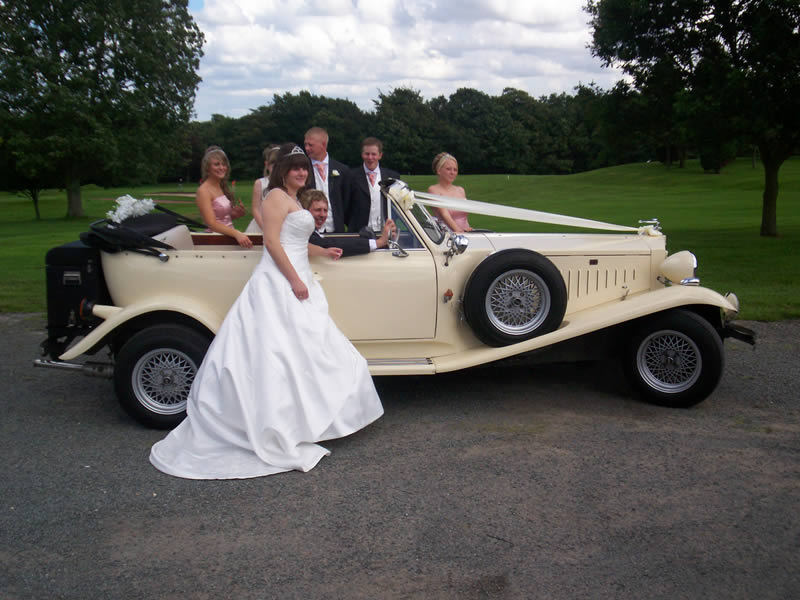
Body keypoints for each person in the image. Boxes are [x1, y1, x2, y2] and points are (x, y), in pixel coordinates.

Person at [149, 143, 383, 479]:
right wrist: (294, 281)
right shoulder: (275, 196)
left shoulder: (293, 198)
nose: (301, 172)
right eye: (295, 168)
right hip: (280, 280)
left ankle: (312, 420)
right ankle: (280, 422)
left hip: (298, 271)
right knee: (279, 353)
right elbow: (272, 242)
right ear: (282, 171)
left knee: (311, 350)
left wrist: (322, 250)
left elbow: (297, 240)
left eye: (304, 167)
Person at [302, 189, 395, 257]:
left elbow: (341, 240)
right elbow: (335, 244)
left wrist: (382, 239)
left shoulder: (314, 233)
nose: (322, 215)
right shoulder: (308, 236)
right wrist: (379, 242)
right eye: (318, 210)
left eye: (325, 211)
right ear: (305, 211)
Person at [195, 146, 252, 248]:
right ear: (207, 167)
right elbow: (212, 223)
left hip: (228, 238)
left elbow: (222, 218)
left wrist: (234, 215)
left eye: (224, 164)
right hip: (215, 241)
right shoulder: (203, 191)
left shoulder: (220, 187)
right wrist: (236, 233)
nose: (222, 167)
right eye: (217, 164)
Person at [342, 137, 401, 233]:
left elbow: (397, 207)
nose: (370, 158)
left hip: (384, 232)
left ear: (380, 155)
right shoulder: (351, 176)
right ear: (362, 154)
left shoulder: (392, 176)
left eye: (373, 154)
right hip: (358, 232)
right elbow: (345, 206)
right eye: (367, 154)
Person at [304, 126, 349, 233]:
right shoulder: (302, 169)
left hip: (336, 231)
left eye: (310, 145)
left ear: (323, 144)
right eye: (305, 144)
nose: (306, 148)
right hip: (308, 231)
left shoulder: (342, 170)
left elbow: (347, 201)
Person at [427, 152, 472, 233]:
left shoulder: (460, 190)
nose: (452, 173)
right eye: (448, 169)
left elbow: (464, 217)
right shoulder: (434, 190)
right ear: (439, 170)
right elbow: (445, 215)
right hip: (448, 235)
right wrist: (459, 232)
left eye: (455, 170)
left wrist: (469, 230)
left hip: (465, 233)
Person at [246, 144, 280, 233]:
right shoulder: (260, 183)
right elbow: (255, 209)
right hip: (261, 226)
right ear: (267, 165)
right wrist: (265, 229)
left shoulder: (287, 184)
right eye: (273, 164)